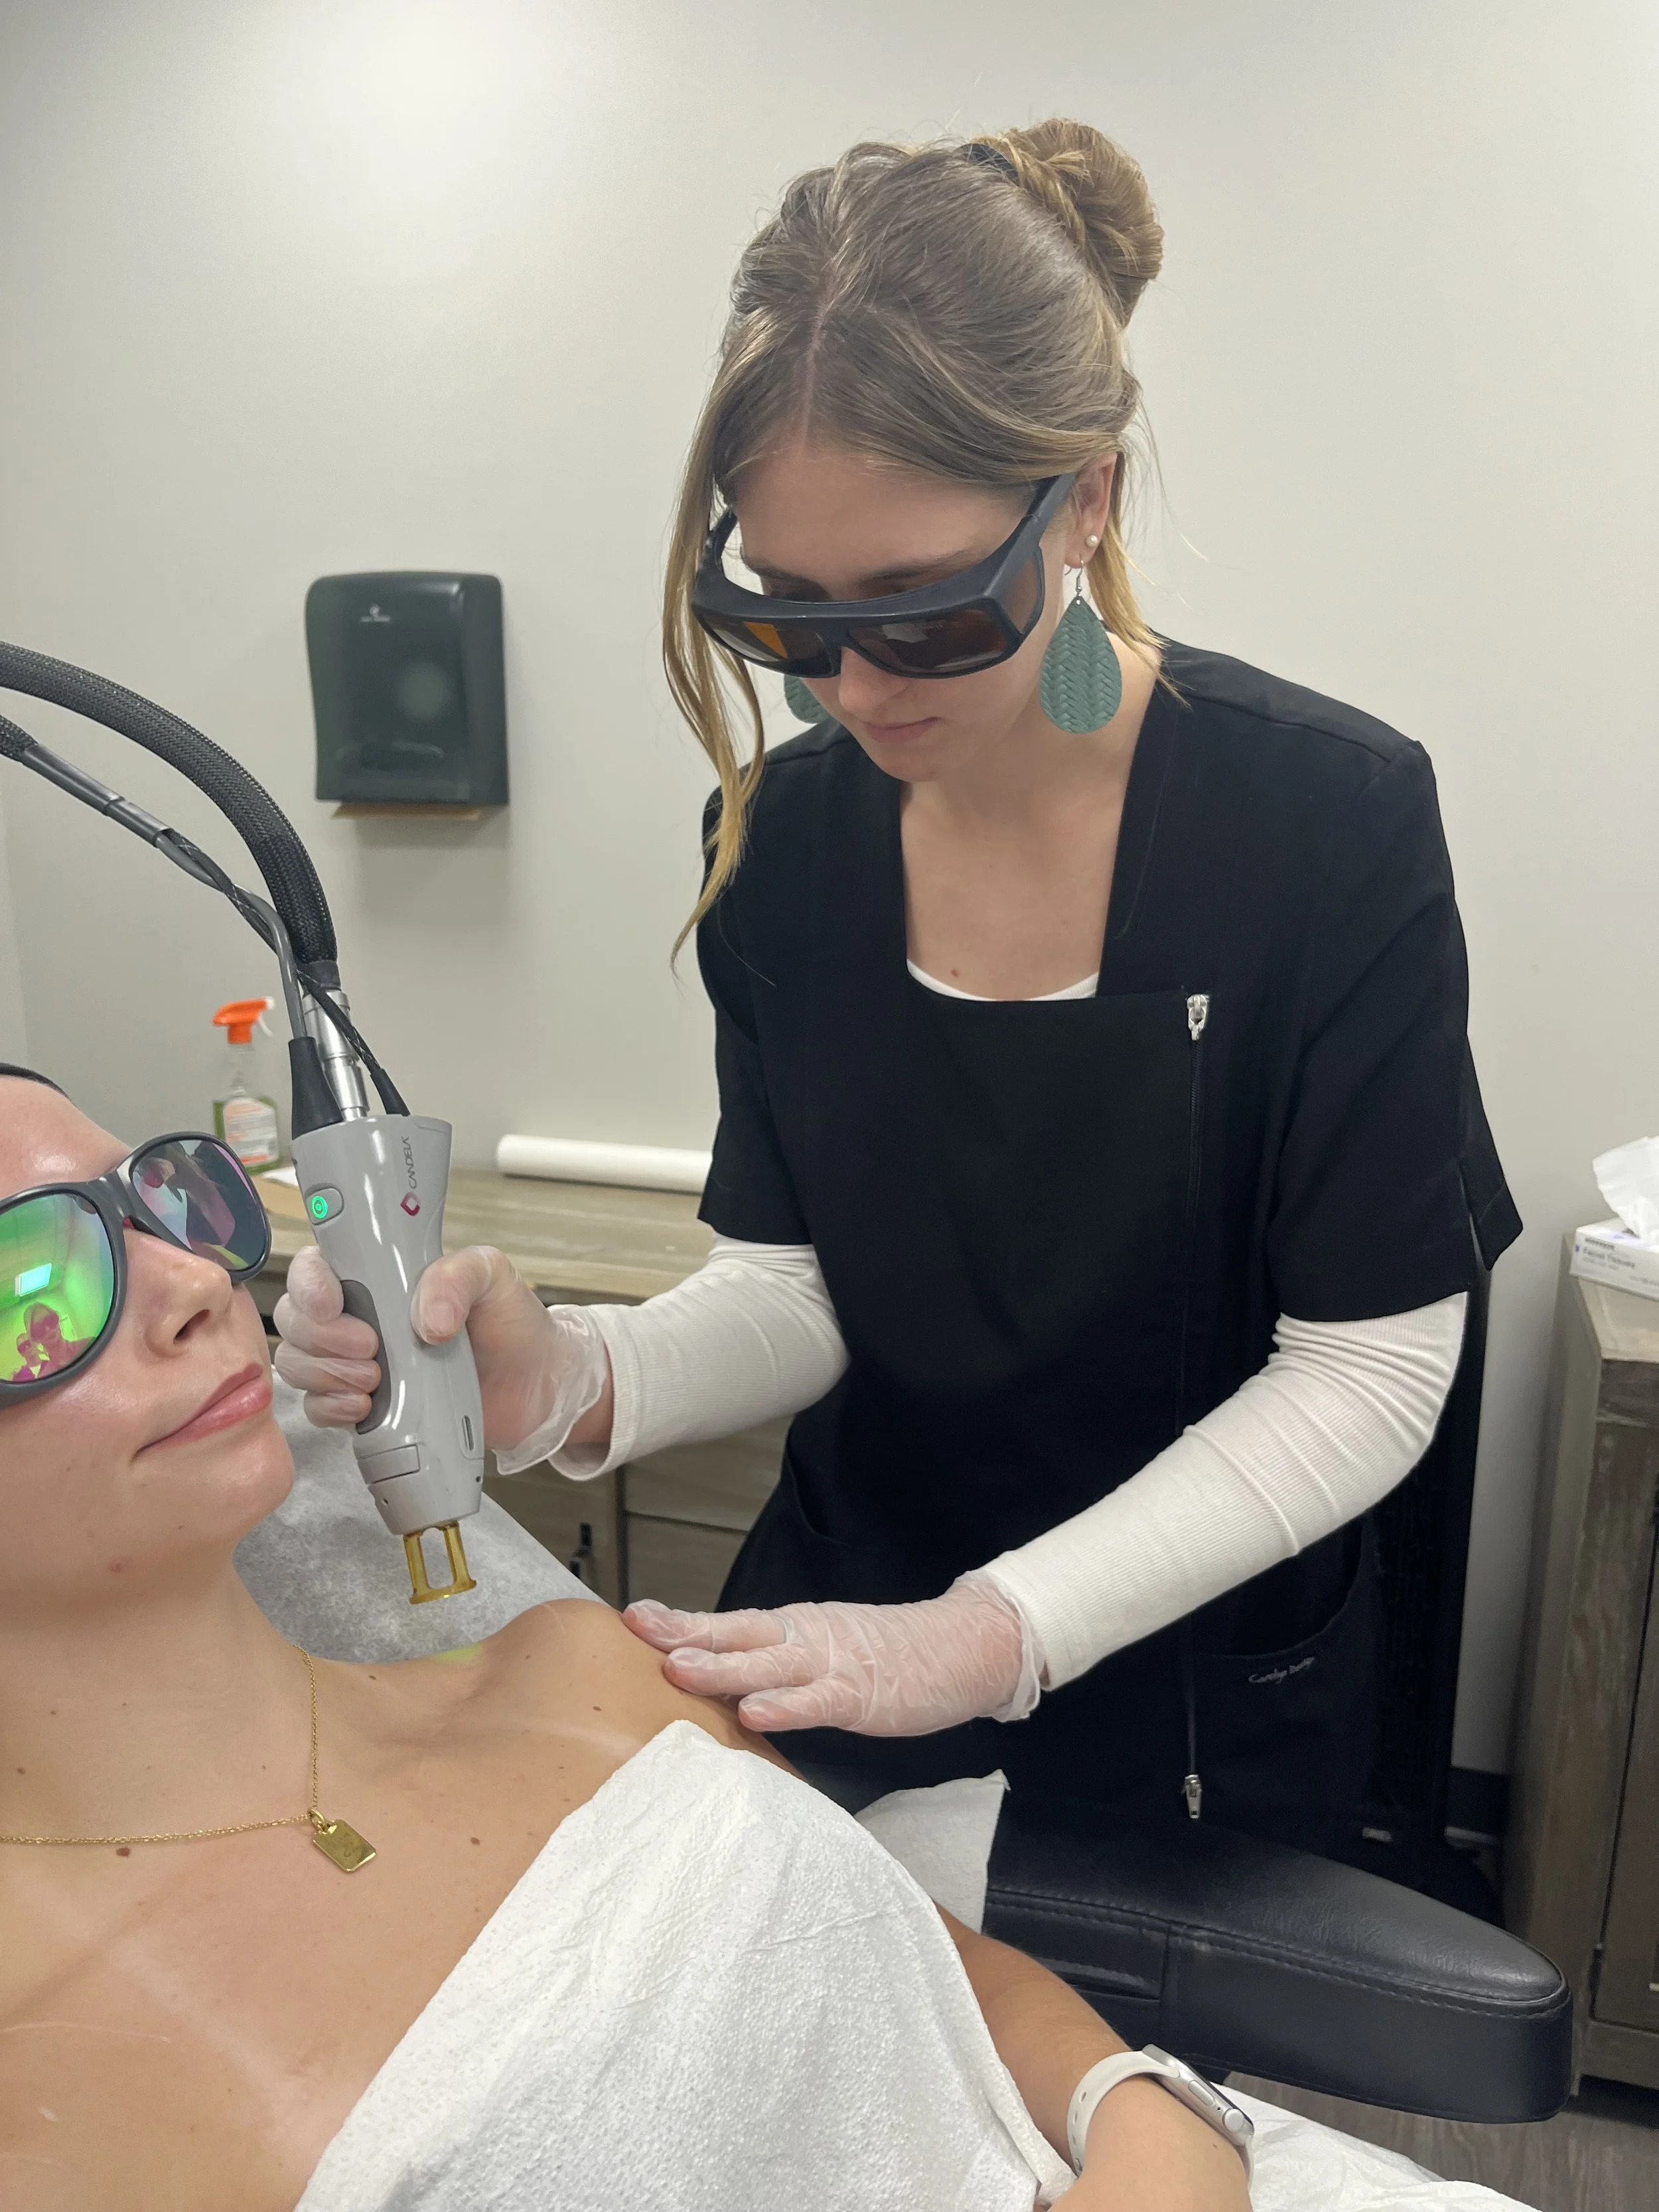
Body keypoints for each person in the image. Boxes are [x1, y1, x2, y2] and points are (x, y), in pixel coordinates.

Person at [276, 119, 1519, 1856]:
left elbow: (1369, 1366)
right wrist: (559, 1381)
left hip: (1185, 1693)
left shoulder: (1320, 821)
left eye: (925, 611)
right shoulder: (778, 841)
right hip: (838, 1643)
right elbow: (797, 1296)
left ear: (1082, 494)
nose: (855, 688)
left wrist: (989, 1633)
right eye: (783, 619)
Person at [0, 1067, 1254, 2212]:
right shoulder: (48, 2094)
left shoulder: (574, 1669)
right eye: (37, 1279)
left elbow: (942, 1981)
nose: (198, 1285)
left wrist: (1150, 2121)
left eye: (163, 1204)